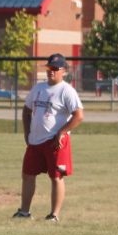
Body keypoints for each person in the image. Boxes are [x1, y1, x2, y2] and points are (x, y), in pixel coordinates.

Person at [13, 53, 84, 222]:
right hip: (35, 140)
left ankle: (54, 215)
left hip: (55, 141)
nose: (51, 71)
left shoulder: (67, 91)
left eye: (55, 68)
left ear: (63, 71)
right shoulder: (38, 88)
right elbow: (26, 110)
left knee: (56, 176)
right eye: (49, 68)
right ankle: (24, 212)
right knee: (28, 174)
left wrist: (62, 131)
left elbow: (78, 116)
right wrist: (26, 132)